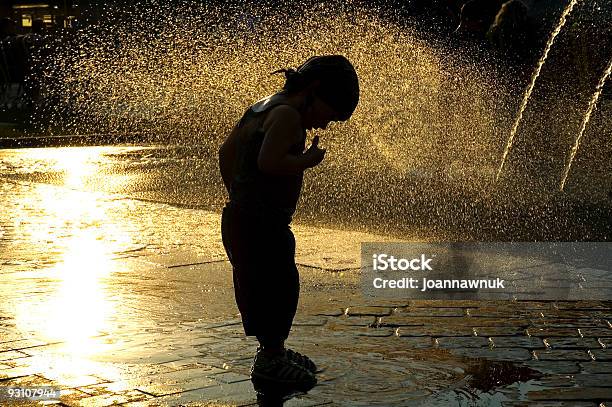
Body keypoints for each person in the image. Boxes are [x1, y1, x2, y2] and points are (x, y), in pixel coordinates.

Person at [218, 55, 359, 389]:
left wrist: (238, 194)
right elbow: (269, 162)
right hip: (262, 223)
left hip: (242, 217)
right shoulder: (288, 116)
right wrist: (306, 161)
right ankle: (269, 362)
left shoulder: (264, 107)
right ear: (314, 90)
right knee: (277, 289)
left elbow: (226, 151)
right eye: (330, 114)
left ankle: (274, 352)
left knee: (262, 288)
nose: (324, 125)